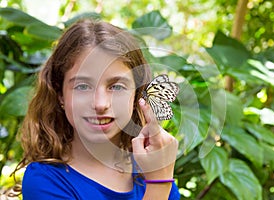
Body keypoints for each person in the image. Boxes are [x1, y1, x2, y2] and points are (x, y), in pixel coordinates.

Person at [13, 19, 180, 200]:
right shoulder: (45, 180)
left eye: (116, 87)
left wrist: (158, 177)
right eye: (83, 86)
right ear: (60, 94)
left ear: (136, 96)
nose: (100, 104)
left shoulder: (150, 169)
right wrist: (159, 185)